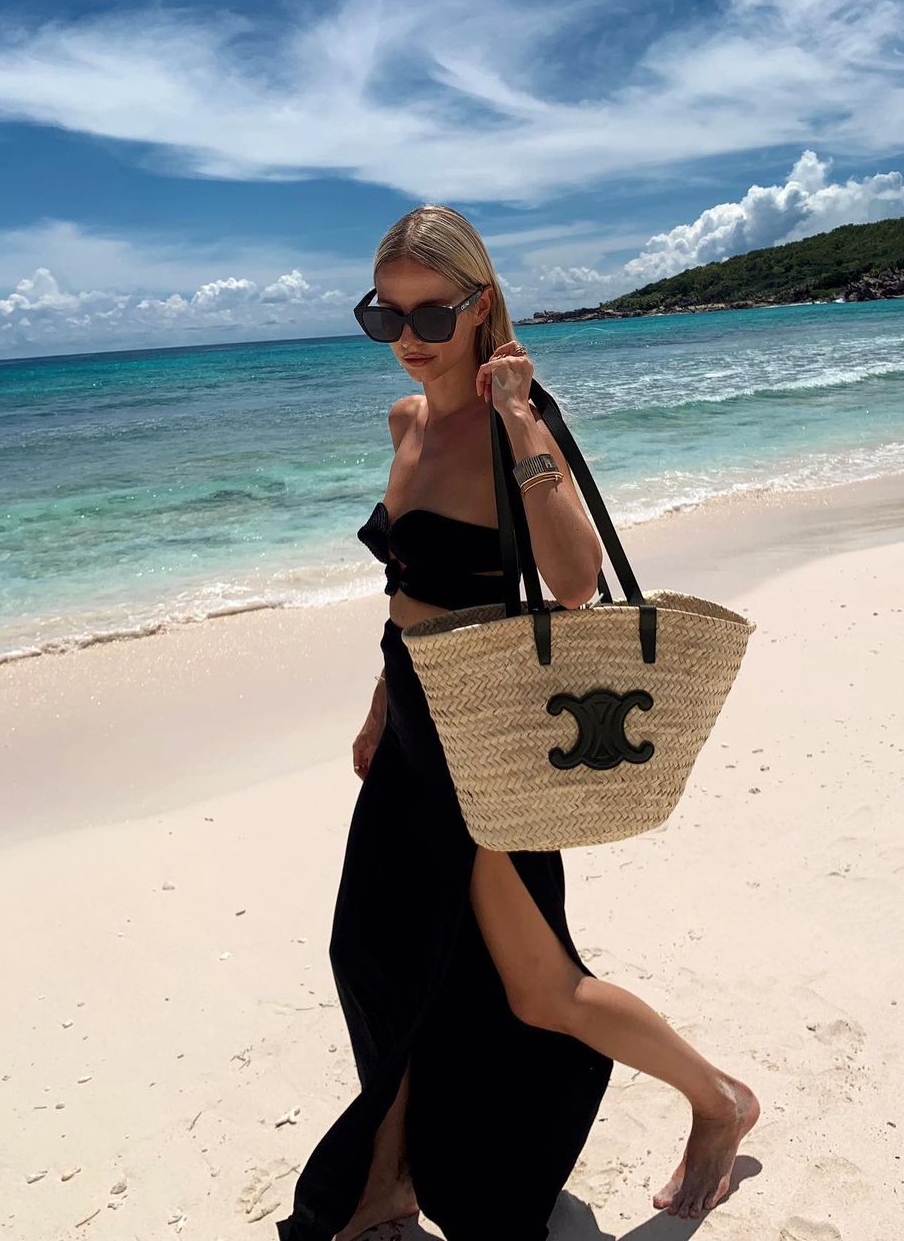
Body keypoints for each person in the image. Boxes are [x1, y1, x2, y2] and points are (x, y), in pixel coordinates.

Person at [274, 205, 759, 1241]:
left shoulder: (515, 425)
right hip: (415, 720)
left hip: (484, 745)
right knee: (376, 959)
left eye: (431, 314)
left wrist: (522, 419)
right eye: (385, 316)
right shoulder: (405, 424)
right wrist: (378, 707)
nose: (408, 338)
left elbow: (576, 581)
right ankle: (385, 1185)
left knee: (541, 990)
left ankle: (719, 1100)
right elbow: (406, 590)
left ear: (480, 304)